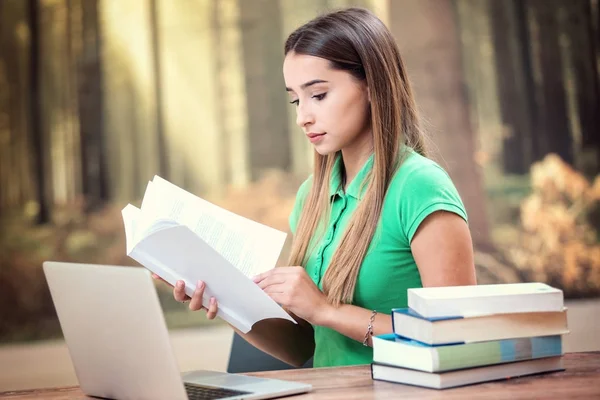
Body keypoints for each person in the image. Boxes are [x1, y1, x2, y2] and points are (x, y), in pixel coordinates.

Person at [155, 7, 477, 368]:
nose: (302, 116)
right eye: (295, 99)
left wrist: (327, 309)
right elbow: (302, 348)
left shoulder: (419, 187)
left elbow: (455, 340)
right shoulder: (312, 195)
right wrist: (224, 296)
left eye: (318, 95)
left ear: (372, 86)